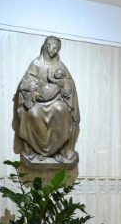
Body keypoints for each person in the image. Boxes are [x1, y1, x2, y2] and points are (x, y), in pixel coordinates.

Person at [12, 36, 80, 164]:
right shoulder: (36, 64)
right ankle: (35, 150)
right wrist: (34, 90)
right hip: (38, 101)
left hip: (55, 100)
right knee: (32, 113)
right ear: (47, 45)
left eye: (57, 48)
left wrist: (64, 83)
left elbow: (69, 82)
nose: (55, 50)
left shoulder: (60, 65)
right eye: (53, 47)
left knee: (62, 110)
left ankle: (59, 151)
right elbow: (25, 84)